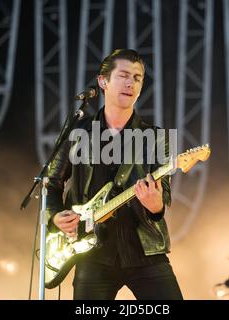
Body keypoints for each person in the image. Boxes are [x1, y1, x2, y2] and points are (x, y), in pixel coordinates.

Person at [46, 49, 183, 300]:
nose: (131, 82)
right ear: (103, 82)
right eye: (123, 75)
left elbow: (163, 197)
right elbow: (52, 183)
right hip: (91, 253)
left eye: (138, 77)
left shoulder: (156, 138)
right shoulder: (77, 132)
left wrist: (155, 206)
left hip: (144, 250)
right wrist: (55, 216)